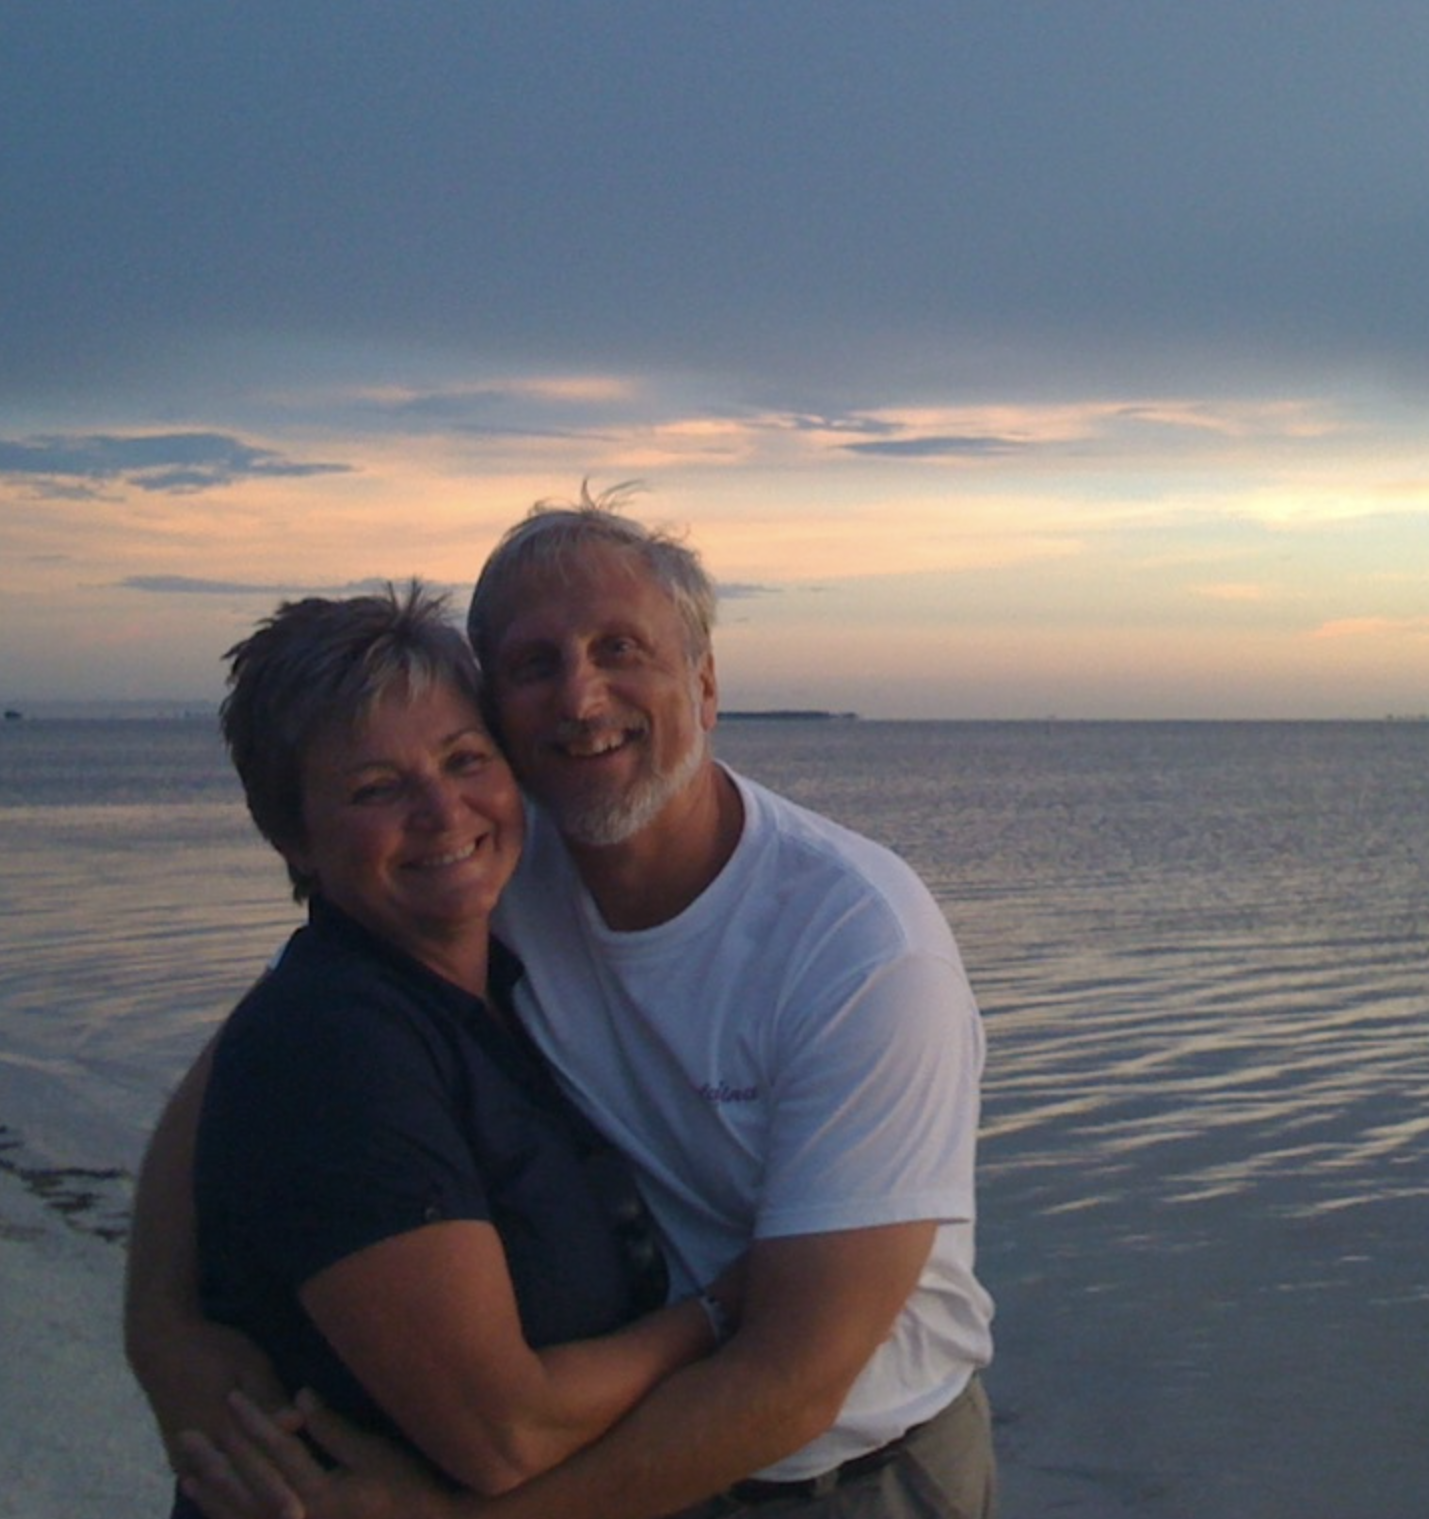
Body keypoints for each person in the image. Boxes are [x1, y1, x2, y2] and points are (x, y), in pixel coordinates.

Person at [131, 487, 996, 1519]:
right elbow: (256, 1061)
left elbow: (797, 1377)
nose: (581, 698)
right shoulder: (492, 863)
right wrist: (165, 1330)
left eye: (620, 650)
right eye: (536, 664)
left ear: (706, 683)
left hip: (845, 1477)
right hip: (628, 1460)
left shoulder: (856, 946)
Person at [127, 583, 737, 1517]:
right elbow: (504, 1430)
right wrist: (718, 1312)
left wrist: (157, 1311)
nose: (442, 813)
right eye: (376, 788)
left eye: (464, 759)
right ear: (293, 834)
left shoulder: (496, 960)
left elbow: (233, 1058)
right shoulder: (335, 1042)